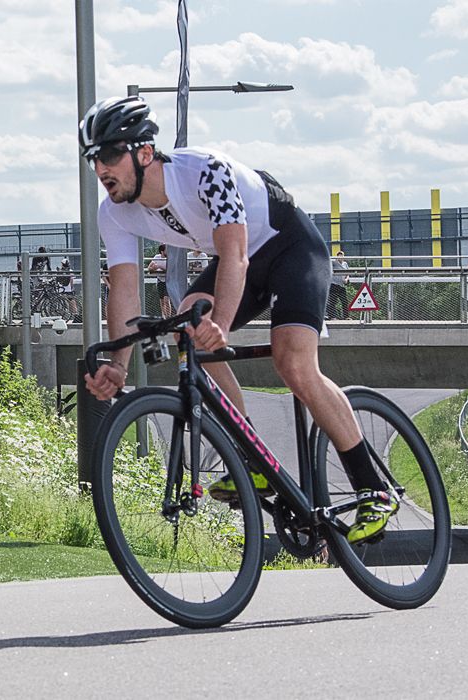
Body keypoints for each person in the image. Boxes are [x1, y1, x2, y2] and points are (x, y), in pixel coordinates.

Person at [80, 95, 395, 545]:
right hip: (238, 261)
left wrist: (221, 325)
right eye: (93, 159)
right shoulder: (113, 212)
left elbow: (235, 256)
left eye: (110, 155)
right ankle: (254, 458)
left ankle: (372, 488)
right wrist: (118, 364)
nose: (101, 169)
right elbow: (125, 288)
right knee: (189, 327)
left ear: (145, 152)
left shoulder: (206, 171)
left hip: (288, 248)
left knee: (293, 363)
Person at [147, 244, 171, 317]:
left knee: (166, 299)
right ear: (162, 251)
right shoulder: (157, 257)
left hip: (168, 281)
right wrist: (153, 268)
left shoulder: (170, 258)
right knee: (162, 300)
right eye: (166, 250)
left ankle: (168, 317)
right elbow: (149, 268)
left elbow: (170, 270)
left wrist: (160, 266)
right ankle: (164, 316)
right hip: (160, 281)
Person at [327, 250, 350, 321]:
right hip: (334, 284)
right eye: (339, 256)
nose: (340, 257)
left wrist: (346, 279)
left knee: (344, 301)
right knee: (333, 301)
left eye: (342, 256)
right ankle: (332, 317)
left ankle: (346, 317)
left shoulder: (345, 264)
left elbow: (348, 273)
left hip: (341, 285)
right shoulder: (333, 262)